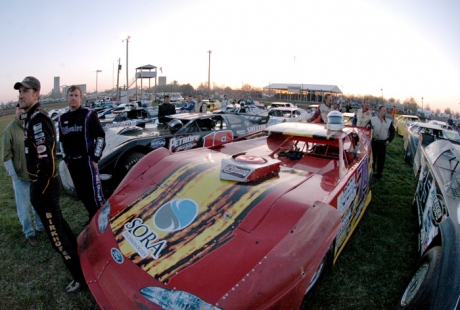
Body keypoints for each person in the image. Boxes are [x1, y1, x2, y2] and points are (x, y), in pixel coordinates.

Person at [14, 76, 85, 293]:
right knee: (61, 227)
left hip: (44, 186)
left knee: (56, 237)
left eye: (25, 92)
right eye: (20, 92)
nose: (21, 95)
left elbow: (47, 161)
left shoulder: (38, 120)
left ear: (36, 94)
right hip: (45, 185)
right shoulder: (32, 118)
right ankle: (81, 260)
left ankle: (79, 278)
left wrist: (37, 191)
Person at [58, 85, 106, 224]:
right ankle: (92, 218)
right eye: (71, 95)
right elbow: (61, 141)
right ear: (67, 97)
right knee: (82, 193)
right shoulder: (62, 118)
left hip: (88, 161)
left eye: (76, 95)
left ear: (80, 97)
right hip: (73, 163)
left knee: (94, 194)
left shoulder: (89, 114)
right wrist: (66, 159)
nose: (73, 98)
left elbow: (100, 137)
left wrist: (95, 158)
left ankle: (102, 221)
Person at [2, 103, 45, 246]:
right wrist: (14, 175)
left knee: (37, 203)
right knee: (24, 209)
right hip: (20, 178)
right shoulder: (10, 130)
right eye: (19, 109)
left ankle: (40, 227)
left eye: (24, 109)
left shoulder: (31, 126)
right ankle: (29, 233)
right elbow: (6, 156)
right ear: (15, 111)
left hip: (34, 175)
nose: (22, 111)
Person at [368, 105, 395, 181]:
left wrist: (389, 140)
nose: (385, 112)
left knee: (381, 160)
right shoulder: (373, 119)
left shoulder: (388, 122)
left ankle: (379, 175)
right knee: (373, 159)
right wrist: (369, 126)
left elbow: (393, 132)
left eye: (385, 110)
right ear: (379, 111)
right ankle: (371, 173)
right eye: (383, 110)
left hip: (382, 144)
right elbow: (368, 127)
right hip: (374, 142)